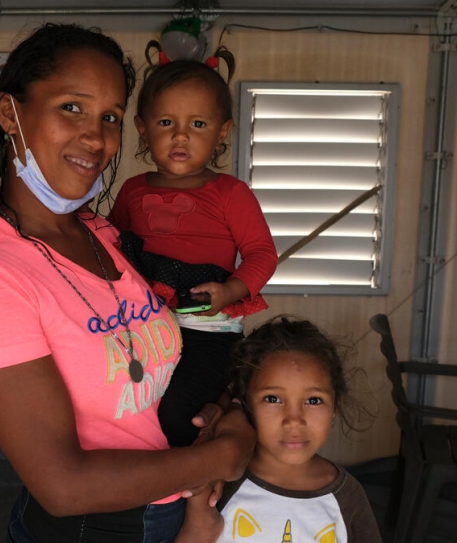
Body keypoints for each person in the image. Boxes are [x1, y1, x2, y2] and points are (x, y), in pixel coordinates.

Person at [0, 23, 255, 542]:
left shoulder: (104, 236)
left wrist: (223, 412)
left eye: (109, 116)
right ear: (7, 113)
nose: (96, 136)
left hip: (170, 512)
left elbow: (149, 394)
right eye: (72, 107)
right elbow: (63, 485)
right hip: (95, 529)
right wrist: (222, 455)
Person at [107, 51, 278, 449]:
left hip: (207, 333)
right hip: (143, 328)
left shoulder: (230, 193)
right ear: (142, 129)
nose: (180, 135)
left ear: (222, 132)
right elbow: (112, 247)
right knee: (134, 408)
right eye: (166, 122)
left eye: (198, 124)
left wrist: (231, 291)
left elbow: (262, 254)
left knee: (177, 413)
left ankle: (191, 486)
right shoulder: (133, 190)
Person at [184, 316, 382, 543]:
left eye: (314, 401)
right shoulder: (221, 483)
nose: (294, 421)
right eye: (273, 398)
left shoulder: (346, 496)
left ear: (335, 407)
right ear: (244, 403)